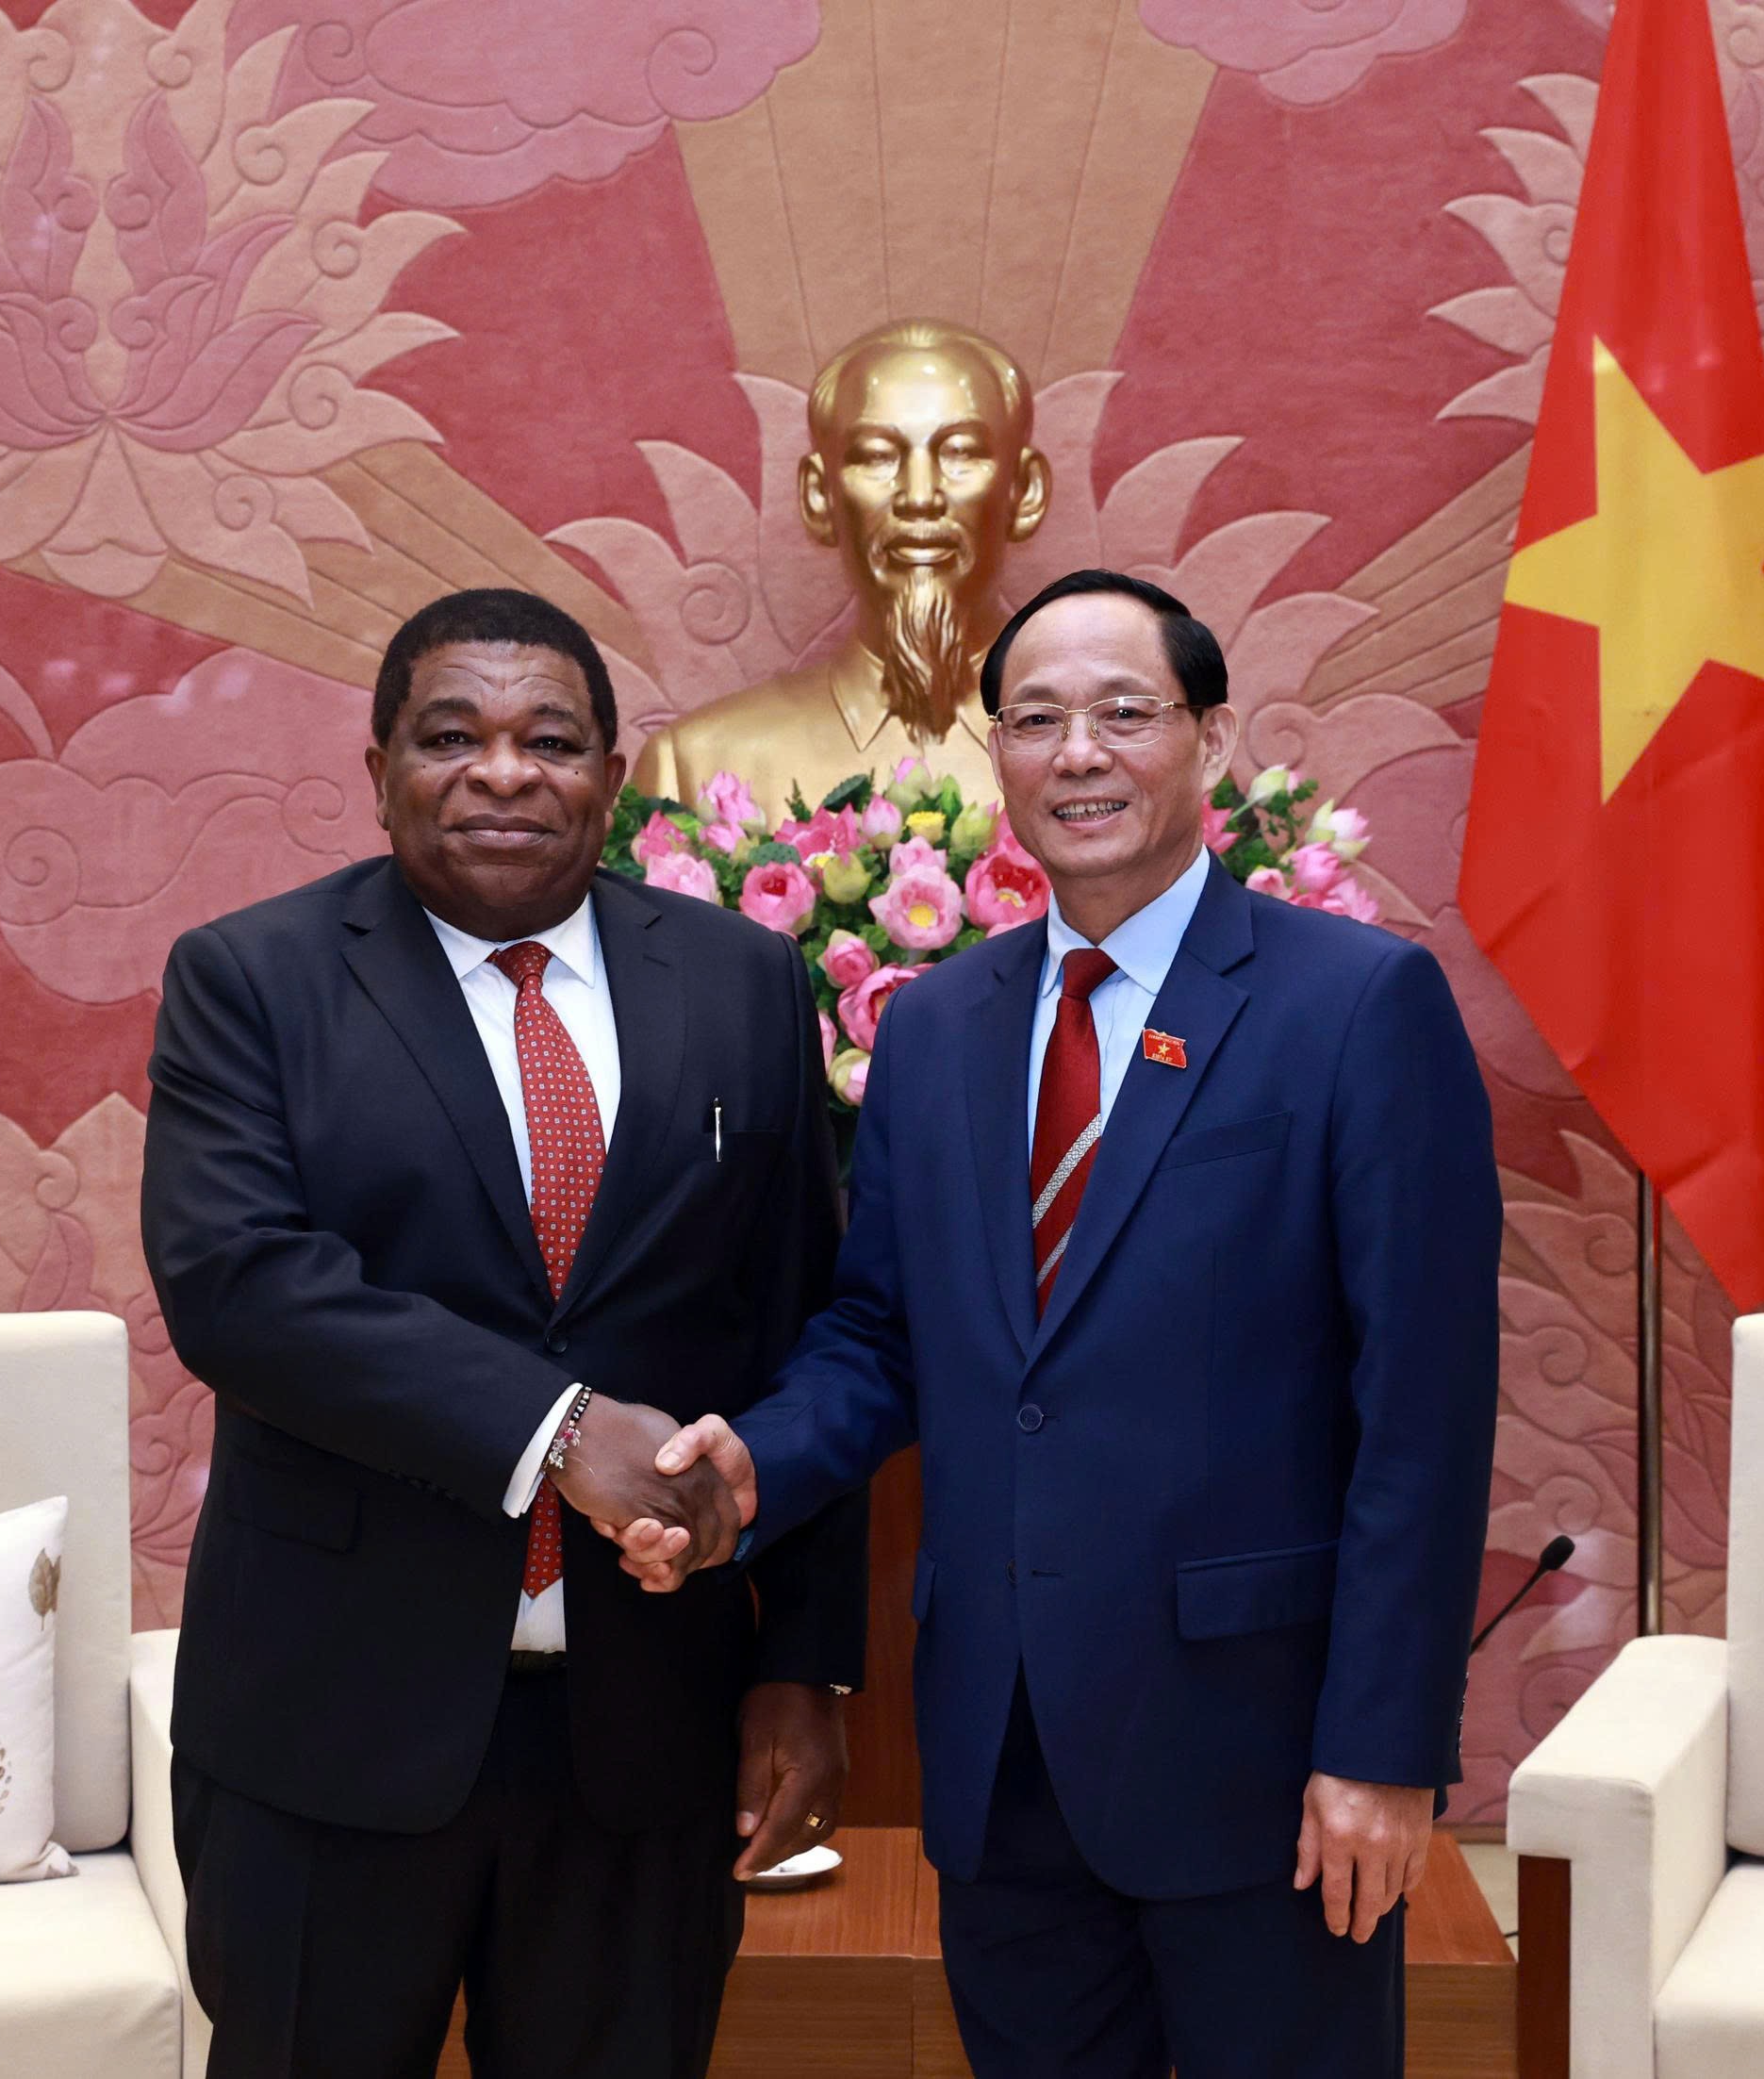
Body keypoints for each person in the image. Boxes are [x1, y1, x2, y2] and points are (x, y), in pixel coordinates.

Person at [620, 569, 1501, 2078]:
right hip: (1003, 1752)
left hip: (1264, 1763)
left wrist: (1383, 1749)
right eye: (1034, 719)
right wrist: (757, 1466)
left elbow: (1422, 1409)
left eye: (1123, 711)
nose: (1077, 753)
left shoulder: (1356, 1005)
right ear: (999, 759)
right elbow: (881, 1334)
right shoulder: (936, 1027)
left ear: (1209, 737)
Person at [140, 586, 867, 2079]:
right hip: (330, 1727)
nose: (502, 773)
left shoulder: (741, 981)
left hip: (647, 1735)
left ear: (611, 773)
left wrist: (803, 1665)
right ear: (380, 769)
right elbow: (242, 1286)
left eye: (550, 739)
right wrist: (560, 1432)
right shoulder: (253, 980)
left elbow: (804, 1325)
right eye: (450, 737)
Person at [630, 318, 1051, 818]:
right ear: (818, 496)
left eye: (960, 453)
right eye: (876, 457)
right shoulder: (694, 768)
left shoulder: (1101, 757)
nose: (919, 496)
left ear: (1025, 491)